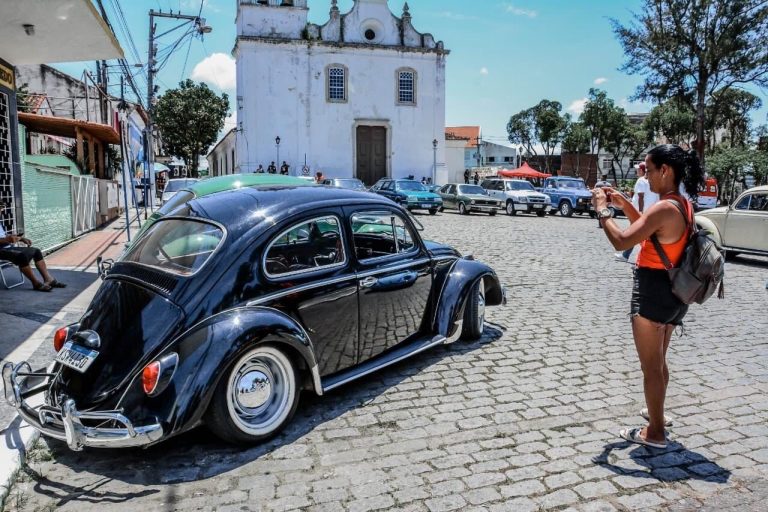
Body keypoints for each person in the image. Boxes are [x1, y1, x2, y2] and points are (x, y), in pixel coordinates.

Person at [592, 144, 704, 449]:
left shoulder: (665, 207)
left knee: (650, 368)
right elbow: (650, 228)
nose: (646, 174)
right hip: (672, 295)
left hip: (652, 294)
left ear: (665, 170)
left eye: (649, 169)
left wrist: (603, 210)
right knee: (659, 363)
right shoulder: (681, 204)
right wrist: (625, 203)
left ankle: (654, 433)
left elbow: (622, 240)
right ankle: (658, 415)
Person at [0, 223, 65, 292]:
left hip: (7, 248)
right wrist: (6, 240)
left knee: (36, 251)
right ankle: (36, 283)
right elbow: (4, 239)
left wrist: (21, 238)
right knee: (21, 256)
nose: (2, 211)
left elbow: (3, 236)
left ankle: (49, 279)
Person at [617, 162, 659, 261]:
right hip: (652, 210)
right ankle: (626, 255)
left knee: (636, 234)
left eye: (638, 169)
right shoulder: (654, 180)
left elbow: (641, 197)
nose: (637, 171)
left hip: (641, 212)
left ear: (642, 170)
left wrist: (640, 211)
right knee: (639, 234)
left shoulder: (641, 180)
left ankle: (629, 256)